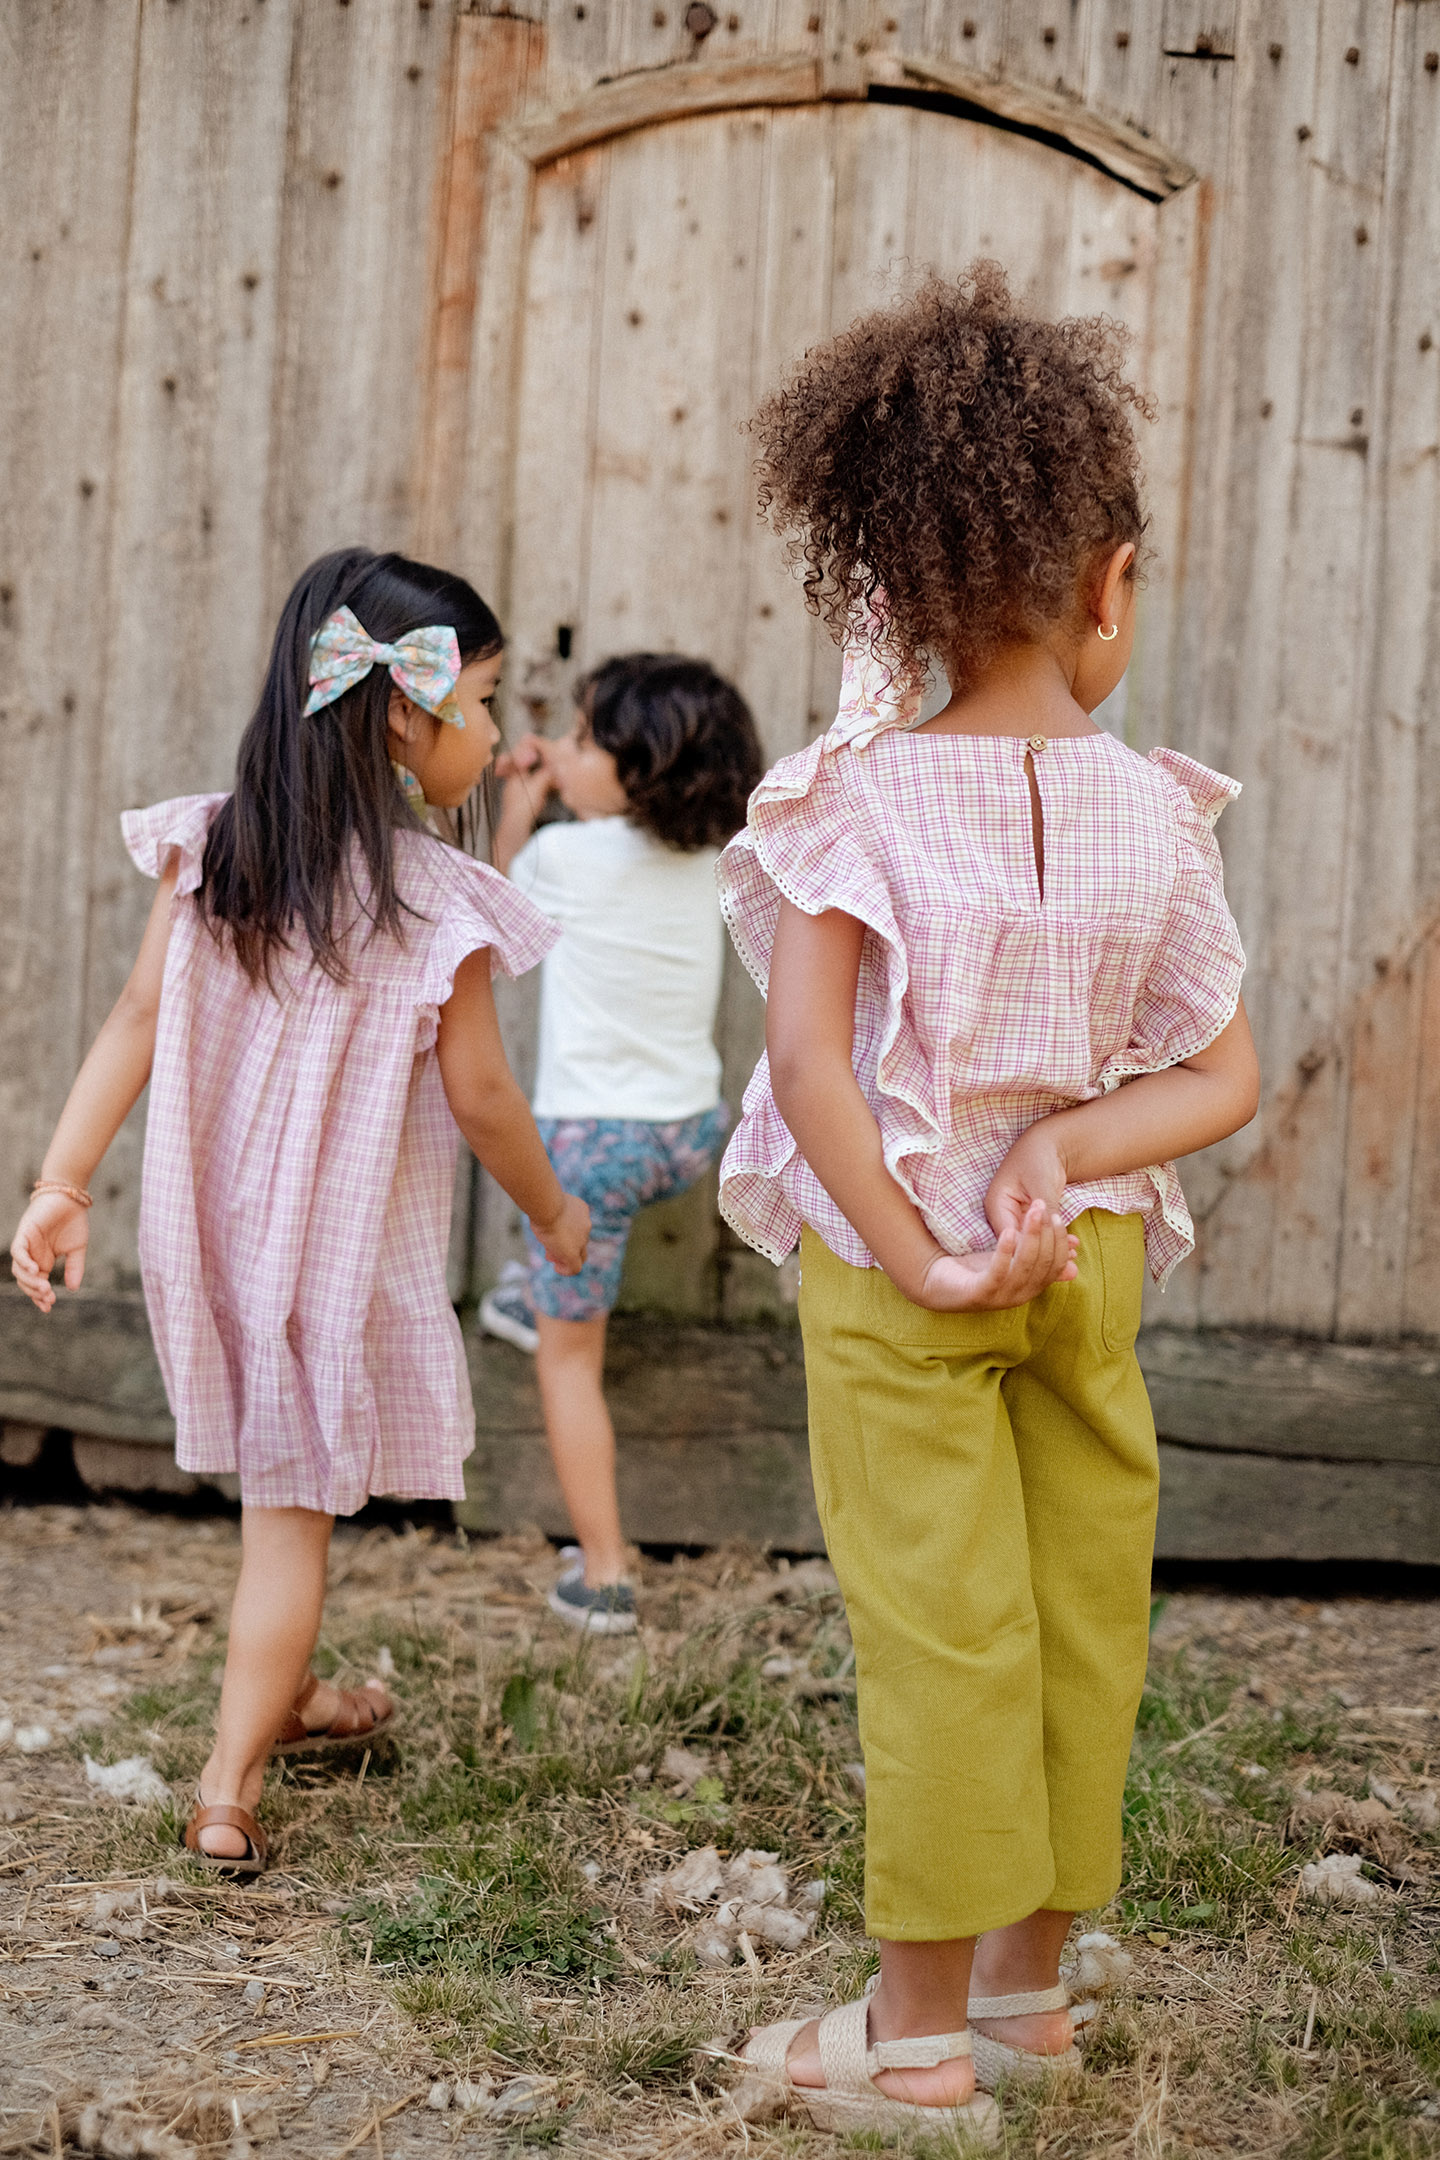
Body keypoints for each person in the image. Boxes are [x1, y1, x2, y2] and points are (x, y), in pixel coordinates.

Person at [717, 265, 1259, 2141]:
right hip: (1087, 1268)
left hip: (903, 1276)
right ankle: (1032, 2003)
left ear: (894, 587)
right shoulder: (1153, 811)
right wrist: (1061, 1156)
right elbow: (1221, 1075)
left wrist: (928, 1240)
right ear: (1107, 581)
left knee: (943, 1627)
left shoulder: (846, 805)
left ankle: (918, 2047)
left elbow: (804, 1070)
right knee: (1076, 1603)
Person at [9, 548, 589, 1874]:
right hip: (332, 1262)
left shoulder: (217, 845)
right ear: (405, 710)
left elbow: (140, 1017)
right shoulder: (435, 897)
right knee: (290, 1524)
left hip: (214, 1233)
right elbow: (488, 1097)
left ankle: (299, 1693)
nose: (495, 735)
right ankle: (229, 1782)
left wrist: (61, 1179)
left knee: (287, 1496)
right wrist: (554, 1217)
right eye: (485, 701)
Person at [482, 655, 763, 1634]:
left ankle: (603, 1575)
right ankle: (532, 1282)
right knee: (559, 1260)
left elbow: (501, 894)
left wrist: (524, 794)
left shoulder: (567, 858)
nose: (568, 747)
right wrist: (567, 772)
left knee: (567, 1361)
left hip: (588, 1151)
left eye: (588, 738)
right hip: (686, 1134)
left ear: (639, 771)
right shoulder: (711, 860)